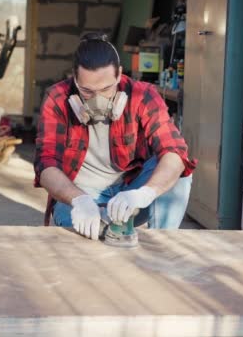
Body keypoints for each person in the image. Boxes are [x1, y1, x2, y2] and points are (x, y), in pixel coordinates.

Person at [33, 32, 197, 240]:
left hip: (130, 193)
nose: (97, 99)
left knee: (179, 170)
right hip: (80, 195)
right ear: (74, 78)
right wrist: (79, 200)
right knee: (83, 239)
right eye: (87, 91)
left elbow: (174, 150)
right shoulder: (58, 98)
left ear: (119, 74)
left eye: (106, 89)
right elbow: (46, 165)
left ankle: (162, 242)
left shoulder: (142, 95)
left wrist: (145, 193)